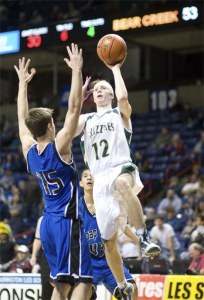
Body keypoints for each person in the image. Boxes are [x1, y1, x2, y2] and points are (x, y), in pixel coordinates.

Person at [76, 58, 160, 299]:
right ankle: (123, 285)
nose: (99, 90)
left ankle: (143, 238)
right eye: (96, 89)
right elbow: (68, 127)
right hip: (100, 178)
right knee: (109, 243)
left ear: (111, 95)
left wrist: (115, 70)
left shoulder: (119, 114)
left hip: (120, 167)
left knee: (123, 183)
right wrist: (78, 101)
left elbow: (124, 99)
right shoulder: (86, 120)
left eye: (104, 88)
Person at [14, 44, 92, 300]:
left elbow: (21, 119)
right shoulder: (60, 146)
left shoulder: (29, 151)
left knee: (61, 285)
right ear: (49, 126)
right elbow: (74, 109)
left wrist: (23, 84)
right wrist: (77, 70)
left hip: (47, 222)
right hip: (68, 222)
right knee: (84, 279)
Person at [79, 168, 138, 300]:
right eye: (85, 176)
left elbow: (121, 224)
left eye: (92, 175)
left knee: (132, 290)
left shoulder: (106, 203)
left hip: (110, 263)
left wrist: (139, 242)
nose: (89, 178)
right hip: (88, 264)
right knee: (83, 295)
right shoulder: (77, 207)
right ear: (81, 183)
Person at [30, 216, 53, 300]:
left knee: (64, 284)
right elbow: (38, 239)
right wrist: (33, 255)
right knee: (46, 285)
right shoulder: (42, 219)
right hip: (47, 256)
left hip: (64, 255)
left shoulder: (67, 216)